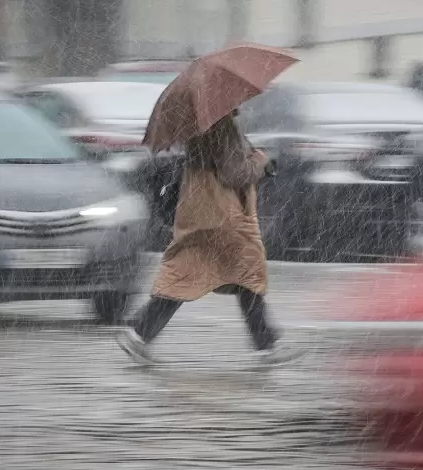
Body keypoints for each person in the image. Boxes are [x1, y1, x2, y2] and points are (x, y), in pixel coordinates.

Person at [116, 109, 302, 366]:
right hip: (222, 213)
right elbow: (234, 174)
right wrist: (259, 163)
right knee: (244, 271)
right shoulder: (221, 124)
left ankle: (139, 333)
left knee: (191, 272)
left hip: (200, 207)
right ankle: (266, 346)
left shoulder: (200, 122)